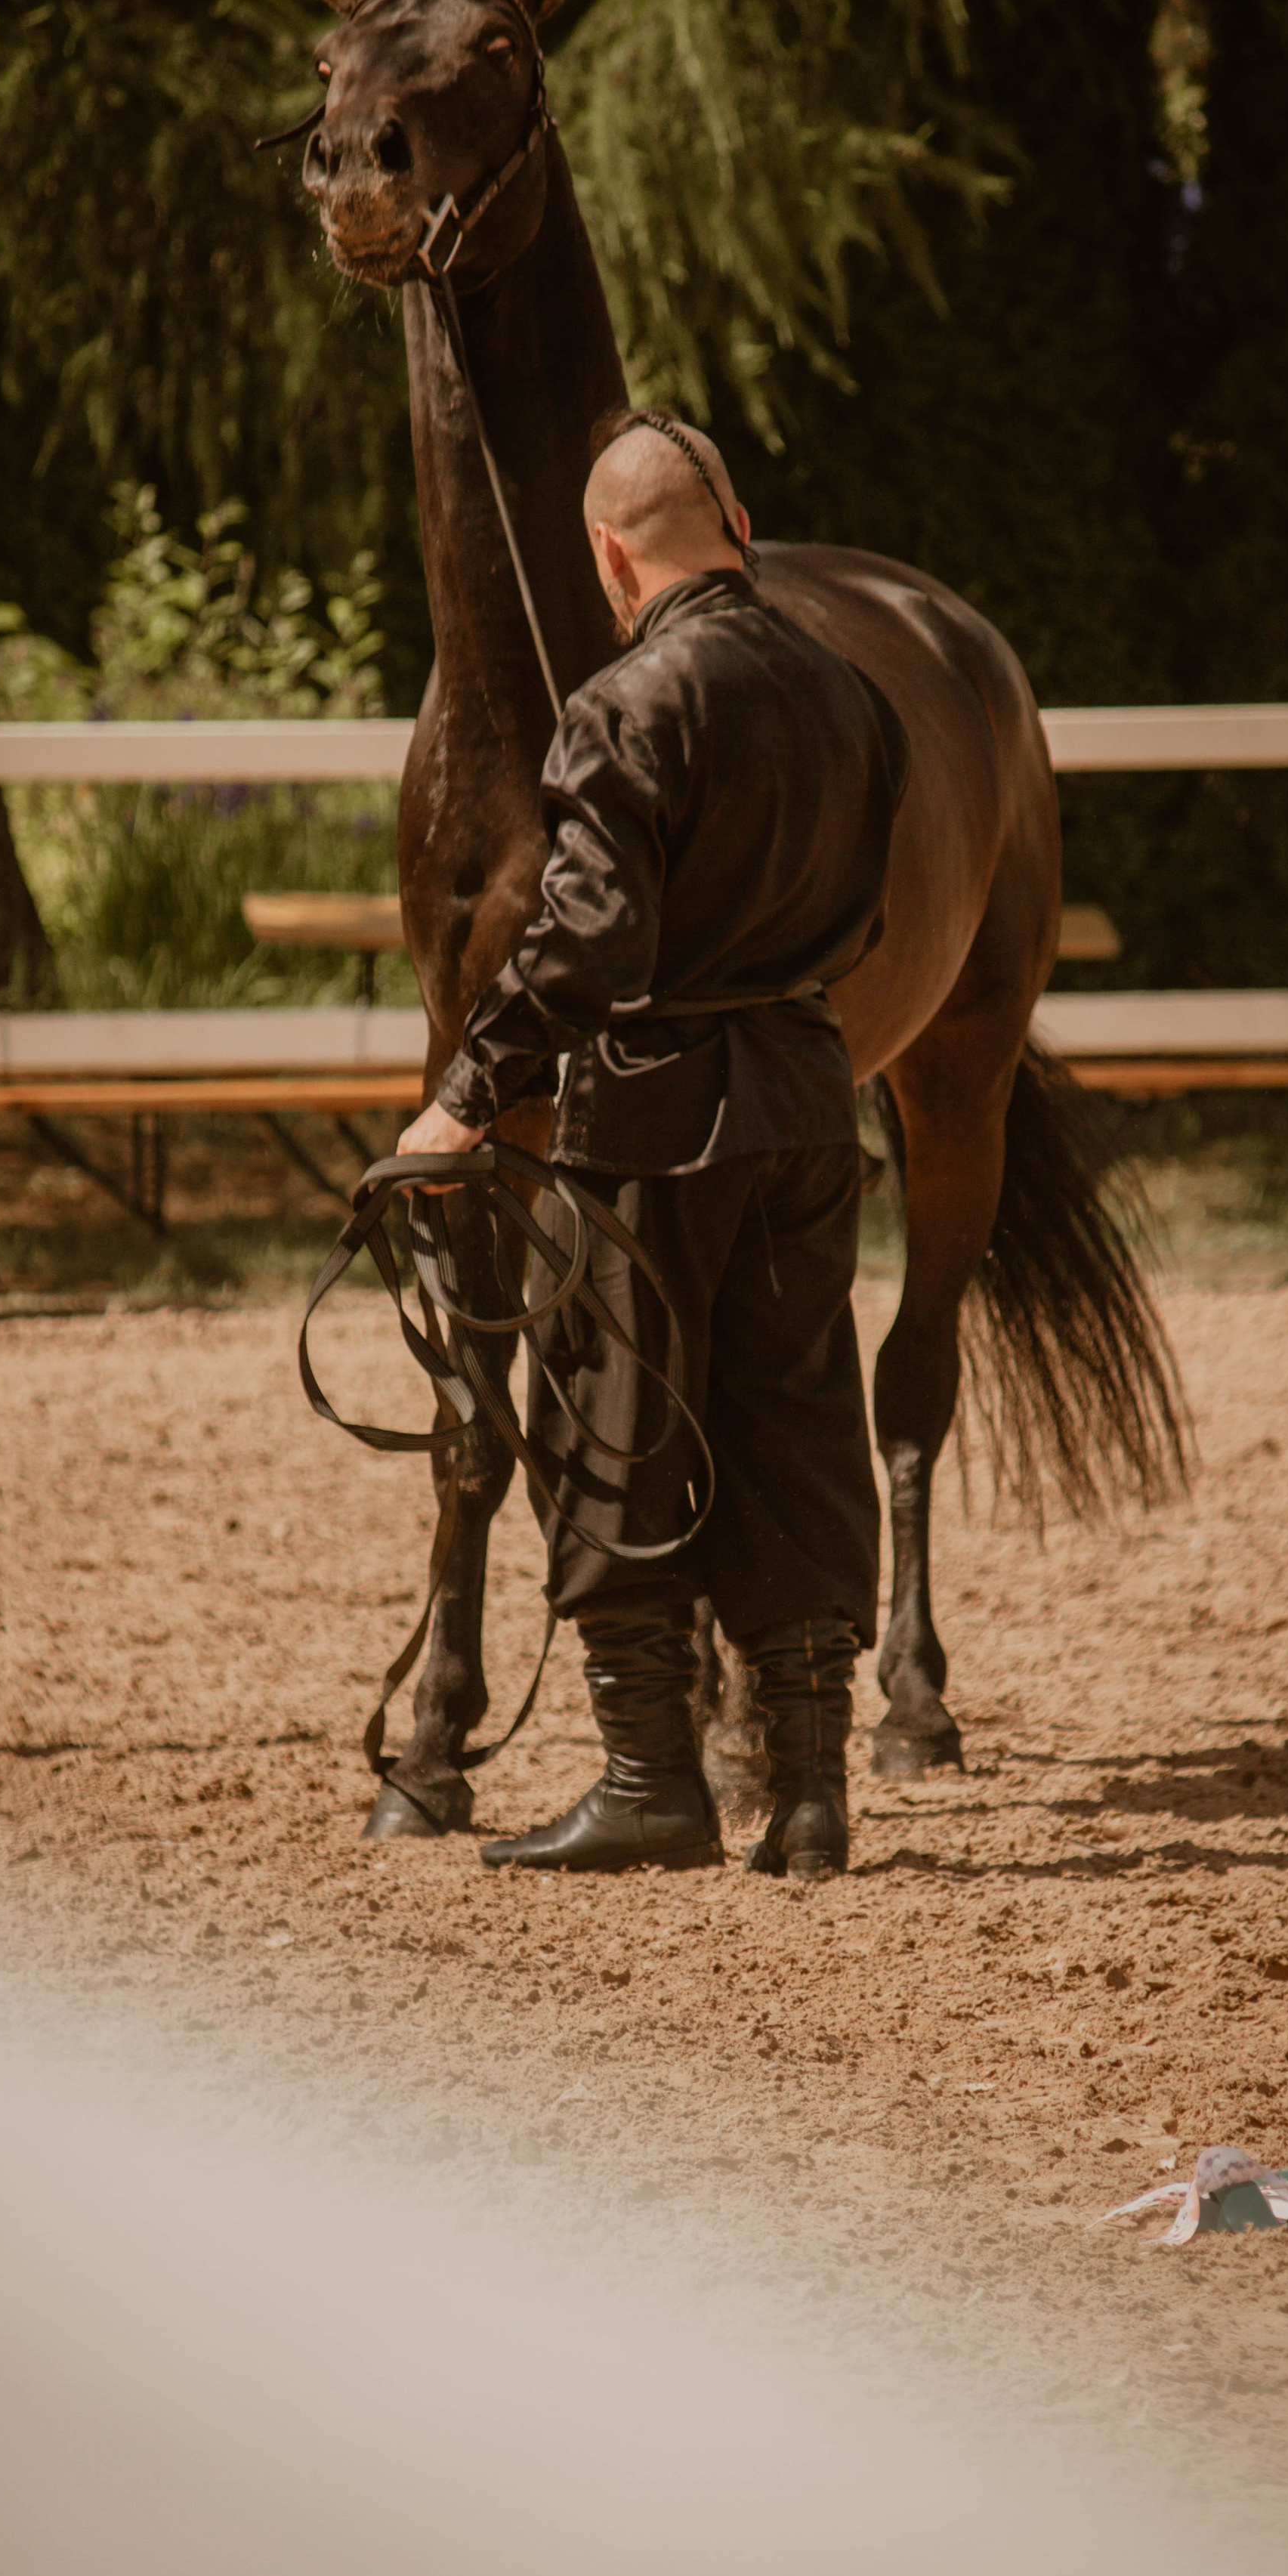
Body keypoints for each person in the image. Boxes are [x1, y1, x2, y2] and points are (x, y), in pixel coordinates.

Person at [396, 409, 908, 1880]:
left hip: (654, 1116)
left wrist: (466, 1092)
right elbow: (865, 920)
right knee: (798, 1414)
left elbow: (585, 944)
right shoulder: (850, 694)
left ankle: (649, 1782)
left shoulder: (624, 704)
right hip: (807, 1095)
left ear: (610, 557)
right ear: (733, 528)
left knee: (609, 1421)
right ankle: (808, 1794)